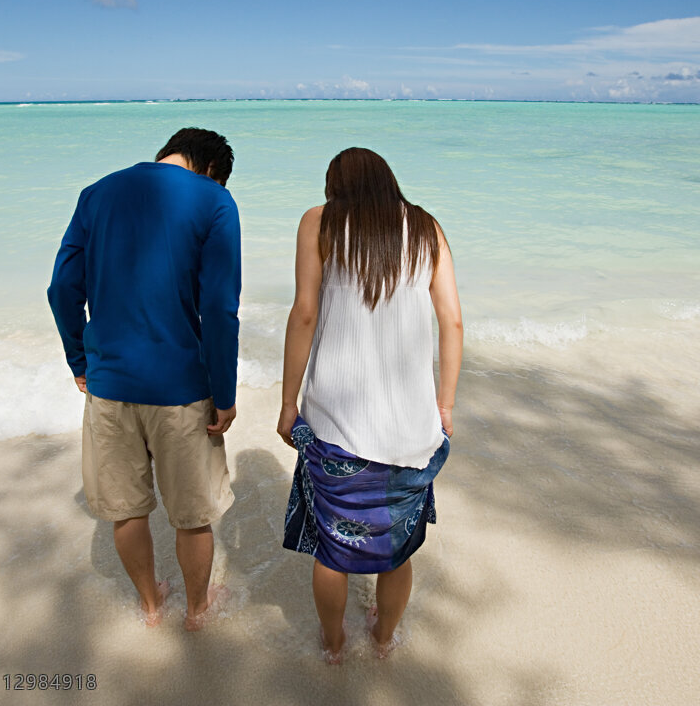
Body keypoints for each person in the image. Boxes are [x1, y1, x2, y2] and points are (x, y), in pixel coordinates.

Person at [48, 127, 240, 630]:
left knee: (126, 510)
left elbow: (62, 288)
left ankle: (151, 606)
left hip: (110, 384)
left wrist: (79, 361)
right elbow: (220, 309)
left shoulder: (96, 194)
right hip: (181, 387)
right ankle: (197, 611)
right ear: (212, 169)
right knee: (192, 514)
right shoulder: (215, 200)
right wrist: (224, 391)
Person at [276, 147, 463, 663]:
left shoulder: (320, 222)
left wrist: (287, 403)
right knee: (397, 551)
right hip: (411, 429)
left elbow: (304, 314)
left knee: (331, 552)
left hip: (338, 425)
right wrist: (444, 405)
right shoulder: (426, 228)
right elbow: (452, 322)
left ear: (335, 187)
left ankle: (333, 647)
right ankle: (383, 641)